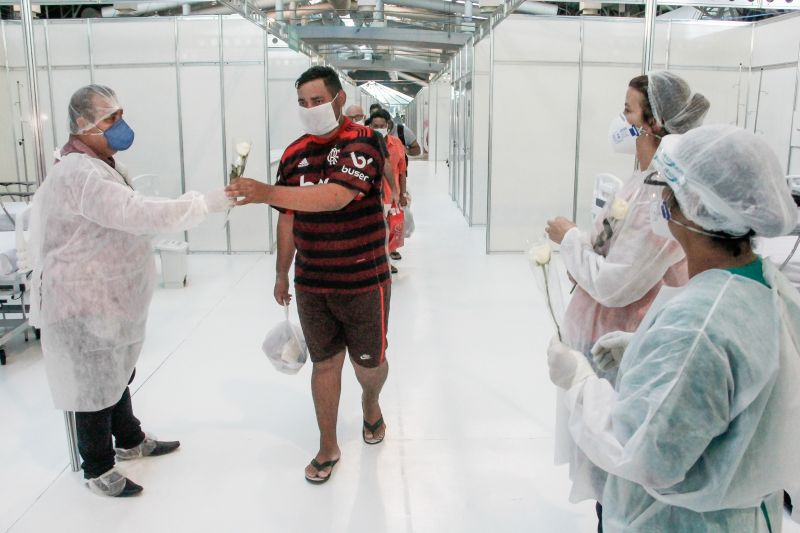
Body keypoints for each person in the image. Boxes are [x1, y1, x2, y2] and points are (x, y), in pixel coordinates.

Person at [547, 124, 800, 532]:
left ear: (698, 208)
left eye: (670, 194)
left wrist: (578, 383)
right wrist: (645, 347)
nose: (660, 202)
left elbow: (640, 453)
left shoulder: (697, 327)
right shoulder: (765, 283)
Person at [27, 85, 231, 497]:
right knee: (94, 385)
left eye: (120, 115)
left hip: (104, 294)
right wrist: (204, 204)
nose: (120, 126)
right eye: (110, 120)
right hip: (83, 297)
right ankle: (98, 468)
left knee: (116, 371)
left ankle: (130, 439)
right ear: (84, 127)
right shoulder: (79, 173)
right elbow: (136, 213)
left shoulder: (98, 163)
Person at [543, 71, 710, 525]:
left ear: (652, 123)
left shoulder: (663, 193)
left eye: (629, 110)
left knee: (614, 457)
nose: (621, 118)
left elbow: (619, 284)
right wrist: (583, 253)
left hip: (624, 339)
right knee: (599, 451)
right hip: (603, 331)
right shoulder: (639, 181)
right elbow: (609, 243)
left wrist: (570, 239)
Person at [225, 66, 391, 484]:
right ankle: (328, 445)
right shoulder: (294, 152)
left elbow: (337, 197)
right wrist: (282, 271)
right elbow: (288, 218)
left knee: (369, 364)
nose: (310, 109)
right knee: (325, 363)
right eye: (302, 103)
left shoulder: (365, 141)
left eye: (317, 101)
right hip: (313, 283)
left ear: (338, 99)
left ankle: (371, 403)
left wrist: (264, 192)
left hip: (363, 281)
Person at [368, 109, 408, 269]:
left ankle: (388, 254)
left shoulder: (396, 144)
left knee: (392, 229)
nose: (379, 128)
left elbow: (402, 171)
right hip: (373, 197)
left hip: (393, 196)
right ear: (370, 126)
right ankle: (383, 263)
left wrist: (402, 194)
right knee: (378, 232)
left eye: (382, 125)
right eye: (375, 125)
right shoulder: (366, 145)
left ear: (388, 126)